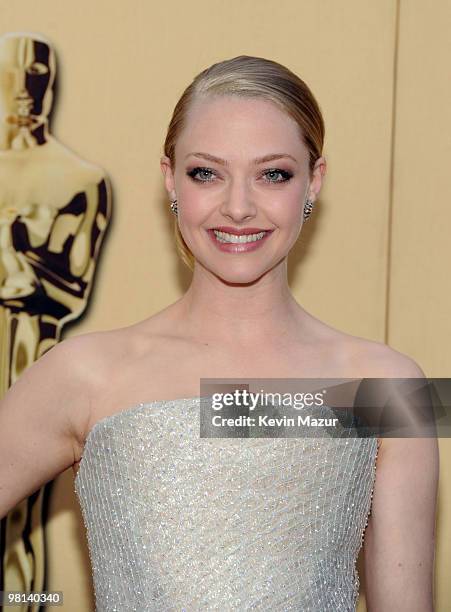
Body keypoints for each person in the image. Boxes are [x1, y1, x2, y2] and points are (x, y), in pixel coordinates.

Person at [0, 55, 439, 611]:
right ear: (170, 179)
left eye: (272, 174)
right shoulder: (85, 372)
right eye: (206, 172)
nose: (238, 208)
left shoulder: (388, 387)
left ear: (314, 180)